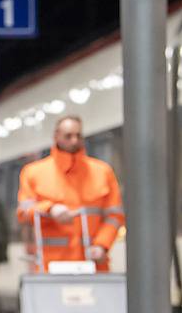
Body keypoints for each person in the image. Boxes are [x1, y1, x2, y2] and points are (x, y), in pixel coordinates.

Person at [17, 115, 125, 273]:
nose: (74, 140)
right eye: (68, 136)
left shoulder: (103, 172)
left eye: (78, 135)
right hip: (50, 267)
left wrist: (102, 244)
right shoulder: (33, 173)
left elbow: (115, 216)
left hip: (93, 265)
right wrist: (50, 209)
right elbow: (23, 212)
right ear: (56, 137)